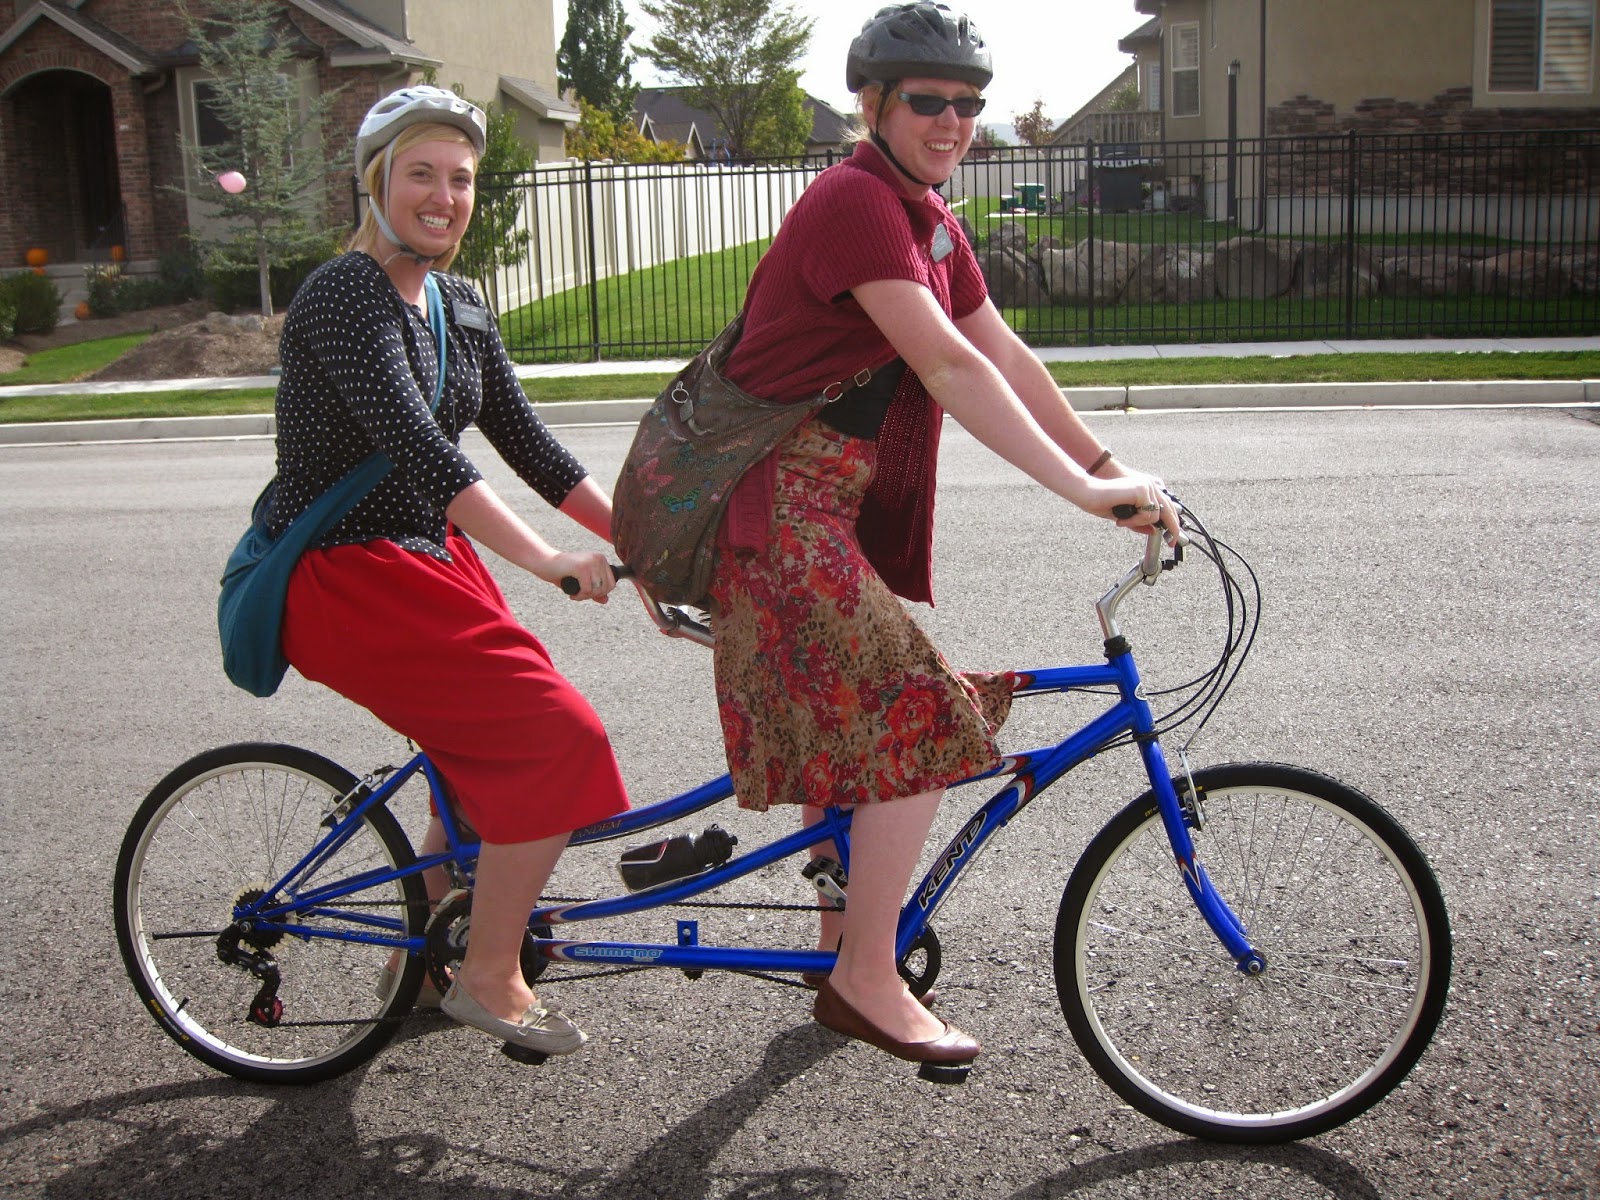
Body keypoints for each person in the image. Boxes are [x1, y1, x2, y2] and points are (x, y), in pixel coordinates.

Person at [708, 3, 1179, 1072]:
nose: (954, 121)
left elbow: (997, 348)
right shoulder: (855, 202)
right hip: (773, 511)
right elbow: (947, 365)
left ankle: (838, 942)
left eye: (969, 103)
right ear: (872, 104)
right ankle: (864, 980)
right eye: (929, 100)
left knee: (861, 730)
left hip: (819, 509)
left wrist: (1110, 467)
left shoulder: (926, 218)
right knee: (917, 721)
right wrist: (1081, 491)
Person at [270, 85, 626, 1057]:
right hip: (346, 574)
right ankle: (490, 972)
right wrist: (549, 560)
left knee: (479, 766)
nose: (444, 196)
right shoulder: (342, 292)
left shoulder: (460, 304)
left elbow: (533, 447)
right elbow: (425, 451)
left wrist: (653, 541)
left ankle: (423, 965)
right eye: (420, 173)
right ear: (376, 181)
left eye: (461, 179)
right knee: (557, 739)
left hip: (430, 563)